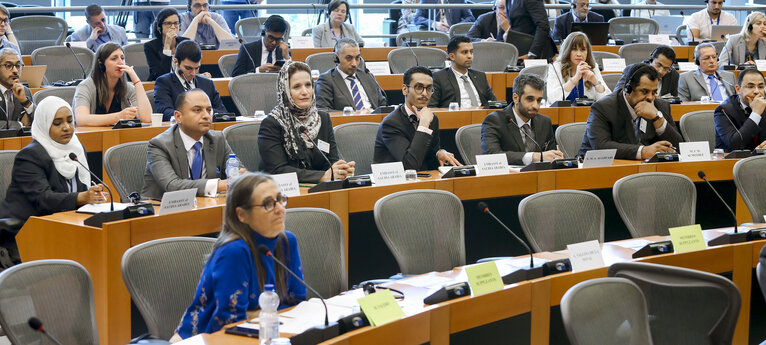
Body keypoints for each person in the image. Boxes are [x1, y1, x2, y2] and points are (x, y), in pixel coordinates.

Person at [171, 172, 306, 341]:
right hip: (204, 339)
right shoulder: (234, 252)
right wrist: (268, 314)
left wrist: (257, 314)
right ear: (242, 215)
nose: (280, 209)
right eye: (268, 204)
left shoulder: (287, 241)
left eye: (280, 199)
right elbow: (230, 323)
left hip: (265, 335)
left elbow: (298, 303)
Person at [0, 96, 107, 222]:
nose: (66, 127)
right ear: (44, 125)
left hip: (64, 221)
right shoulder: (29, 156)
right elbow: (43, 199)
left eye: (70, 121)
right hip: (24, 227)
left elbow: (82, 188)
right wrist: (82, 197)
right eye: (57, 123)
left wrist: (94, 195)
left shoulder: (76, 150)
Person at [259, 61, 356, 183]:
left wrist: (340, 170)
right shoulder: (272, 124)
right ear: (285, 91)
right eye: (297, 87)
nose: (305, 91)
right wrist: (321, 177)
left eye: (308, 85)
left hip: (320, 190)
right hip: (282, 193)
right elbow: (278, 170)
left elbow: (331, 161)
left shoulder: (322, 118)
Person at [142, 89, 236, 200]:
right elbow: (172, 185)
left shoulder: (217, 139)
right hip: (163, 209)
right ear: (178, 117)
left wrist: (240, 174)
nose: (206, 116)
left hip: (205, 204)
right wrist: (220, 185)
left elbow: (237, 170)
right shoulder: (159, 145)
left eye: (209, 110)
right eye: (197, 110)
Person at [578, 63, 682, 159]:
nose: (650, 98)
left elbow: (678, 147)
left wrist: (658, 119)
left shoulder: (660, 106)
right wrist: (643, 151)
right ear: (628, 89)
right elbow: (600, 146)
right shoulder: (603, 107)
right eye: (644, 91)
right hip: (596, 168)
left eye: (654, 92)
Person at [373, 66, 462, 170]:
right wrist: (423, 125)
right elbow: (409, 165)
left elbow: (429, 155)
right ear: (405, 90)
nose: (424, 93)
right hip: (393, 182)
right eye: (419, 87)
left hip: (422, 178)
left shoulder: (431, 118)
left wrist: (438, 153)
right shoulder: (391, 123)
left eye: (429, 88)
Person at [482, 74, 563, 165]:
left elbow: (550, 156)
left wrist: (556, 157)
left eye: (539, 100)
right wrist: (533, 157)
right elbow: (491, 156)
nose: (535, 106)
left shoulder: (544, 122)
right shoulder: (495, 120)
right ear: (516, 98)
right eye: (530, 99)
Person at [73, 43, 152, 127]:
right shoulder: (86, 86)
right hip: (91, 137)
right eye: (114, 59)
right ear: (101, 63)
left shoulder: (128, 88)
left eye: (122, 58)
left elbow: (147, 118)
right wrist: (118, 116)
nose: (120, 62)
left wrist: (137, 81)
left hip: (119, 138)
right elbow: (81, 119)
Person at [154, 41, 226, 121]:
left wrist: (203, 113)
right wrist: (193, 114)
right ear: (176, 62)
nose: (193, 73)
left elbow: (222, 113)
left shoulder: (207, 83)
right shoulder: (164, 82)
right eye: (188, 68)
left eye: (197, 68)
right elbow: (165, 112)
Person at [315, 38, 387, 112]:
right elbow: (324, 110)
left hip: (375, 121)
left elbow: (383, 104)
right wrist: (356, 114)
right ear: (337, 58)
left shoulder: (367, 76)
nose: (354, 64)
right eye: (349, 58)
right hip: (348, 122)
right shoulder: (326, 80)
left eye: (357, 58)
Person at [429, 35, 497, 108]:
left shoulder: (480, 76)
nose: (470, 56)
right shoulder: (439, 78)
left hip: (482, 116)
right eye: (465, 52)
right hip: (456, 117)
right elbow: (432, 107)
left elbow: (495, 103)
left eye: (471, 52)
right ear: (452, 56)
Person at [546, 32, 610, 103]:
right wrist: (575, 79)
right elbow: (551, 99)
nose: (579, 54)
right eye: (574, 49)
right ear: (567, 51)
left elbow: (607, 101)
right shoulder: (556, 67)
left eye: (583, 50)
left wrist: (596, 83)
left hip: (589, 112)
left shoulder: (593, 67)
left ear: (587, 52)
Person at [713, 68, 766, 152]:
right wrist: (756, 113)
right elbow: (736, 145)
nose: (757, 91)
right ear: (738, 89)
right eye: (750, 86)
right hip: (733, 162)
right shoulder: (723, 111)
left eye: (760, 87)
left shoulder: (764, 104)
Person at [144, 8, 190, 81]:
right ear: (160, 27)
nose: (173, 27)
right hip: (160, 86)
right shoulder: (150, 47)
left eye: (176, 23)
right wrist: (167, 46)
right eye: (168, 23)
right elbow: (160, 75)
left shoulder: (186, 43)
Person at [0, 48, 34, 127]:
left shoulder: (25, 91)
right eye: (8, 66)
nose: (15, 70)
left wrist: (25, 102)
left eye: (18, 66)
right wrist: (20, 125)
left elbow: (39, 122)